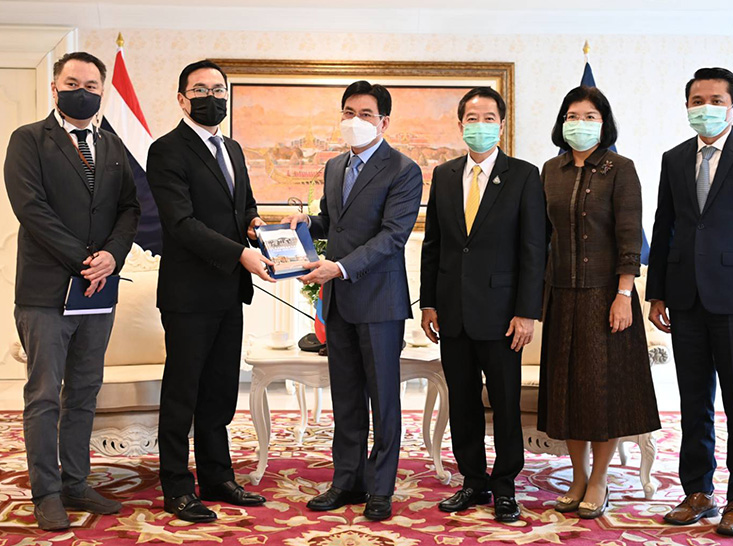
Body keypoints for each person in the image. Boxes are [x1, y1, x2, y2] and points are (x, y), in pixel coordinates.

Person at [646, 67, 733, 537]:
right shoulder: (673, 158)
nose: (704, 108)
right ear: (686, 105)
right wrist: (656, 292)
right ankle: (698, 492)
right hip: (685, 298)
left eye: (714, 100)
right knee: (694, 403)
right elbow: (664, 226)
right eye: (696, 100)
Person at [4, 51, 141, 530]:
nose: (81, 91)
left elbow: (130, 208)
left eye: (91, 85)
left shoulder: (112, 144)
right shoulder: (27, 139)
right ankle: (46, 492)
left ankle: (76, 483)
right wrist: (85, 259)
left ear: (102, 91)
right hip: (45, 291)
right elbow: (31, 208)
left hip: (97, 291)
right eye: (72, 83)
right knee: (44, 394)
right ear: (55, 87)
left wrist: (113, 255)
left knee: (84, 390)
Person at [283, 81, 422, 521]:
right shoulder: (334, 166)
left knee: (383, 400)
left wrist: (340, 268)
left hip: (379, 301)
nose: (354, 121)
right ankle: (347, 480)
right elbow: (334, 222)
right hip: (338, 301)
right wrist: (307, 222)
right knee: (345, 398)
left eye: (365, 114)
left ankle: (380, 488)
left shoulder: (404, 170)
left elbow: (392, 236)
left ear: (384, 122)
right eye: (348, 112)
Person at [147, 59, 273, 523]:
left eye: (218, 89)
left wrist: (255, 226)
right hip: (188, 295)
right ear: (182, 98)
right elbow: (181, 223)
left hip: (228, 291)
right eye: (200, 89)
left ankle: (218, 476)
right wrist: (240, 253)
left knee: (219, 392)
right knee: (183, 394)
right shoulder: (166, 150)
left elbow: (245, 206)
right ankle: (177, 486)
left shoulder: (232, 148)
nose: (211, 97)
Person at [419, 87, 546, 523]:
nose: (480, 125)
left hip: (503, 315)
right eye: (471, 118)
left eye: (488, 117)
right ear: (460, 125)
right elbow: (433, 245)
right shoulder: (444, 175)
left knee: (506, 402)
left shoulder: (524, 175)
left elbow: (534, 250)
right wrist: (429, 303)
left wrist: (527, 312)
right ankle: (473, 481)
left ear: (501, 125)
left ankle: (505, 485)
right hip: (452, 313)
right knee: (464, 403)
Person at [537, 86, 661, 520]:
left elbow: (630, 237)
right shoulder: (550, 170)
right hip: (560, 294)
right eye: (573, 115)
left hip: (606, 297)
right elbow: (541, 237)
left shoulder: (620, 169)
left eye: (590, 116)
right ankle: (578, 475)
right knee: (567, 392)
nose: (581, 123)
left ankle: (600, 477)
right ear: (562, 122)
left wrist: (624, 295)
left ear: (604, 123)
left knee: (600, 393)